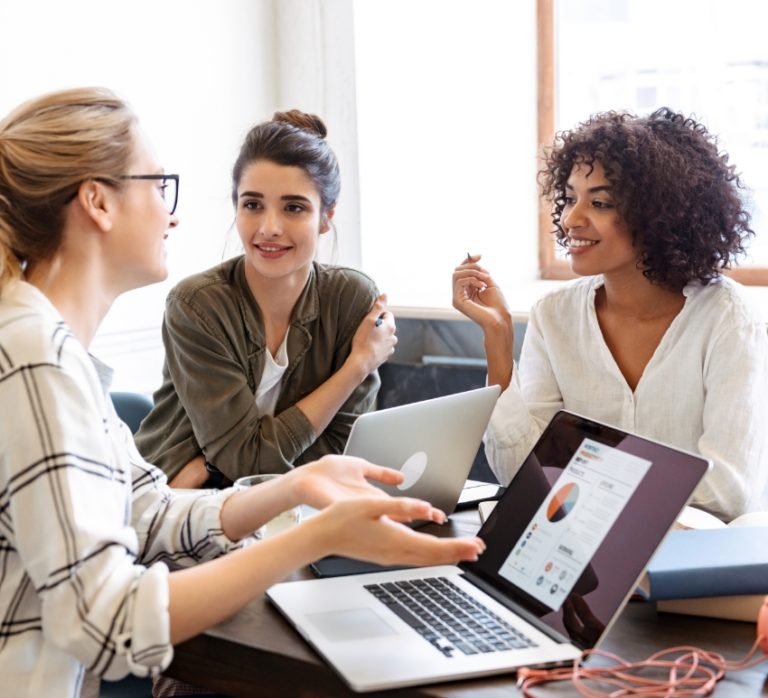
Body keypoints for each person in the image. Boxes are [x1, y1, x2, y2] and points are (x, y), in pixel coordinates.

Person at [0, 87, 485, 697]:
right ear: (97, 202)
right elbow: (106, 621)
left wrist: (296, 485)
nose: (171, 214)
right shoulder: (34, 361)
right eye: (158, 185)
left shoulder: (50, 350)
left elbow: (146, 510)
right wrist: (315, 536)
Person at [452, 108, 768, 522]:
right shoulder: (555, 316)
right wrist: (498, 339)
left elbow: (725, 493)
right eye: (569, 198)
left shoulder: (729, 319)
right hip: (579, 560)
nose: (570, 219)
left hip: (695, 566)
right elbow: (523, 474)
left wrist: (582, 485)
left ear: (659, 215)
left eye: (599, 202)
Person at [135, 110, 393, 489]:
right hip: (175, 504)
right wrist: (357, 365)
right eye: (252, 204)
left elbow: (342, 453)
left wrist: (214, 464)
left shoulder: (352, 300)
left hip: (287, 506)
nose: (269, 228)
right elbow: (246, 459)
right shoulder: (197, 306)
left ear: (325, 218)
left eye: (294, 207)